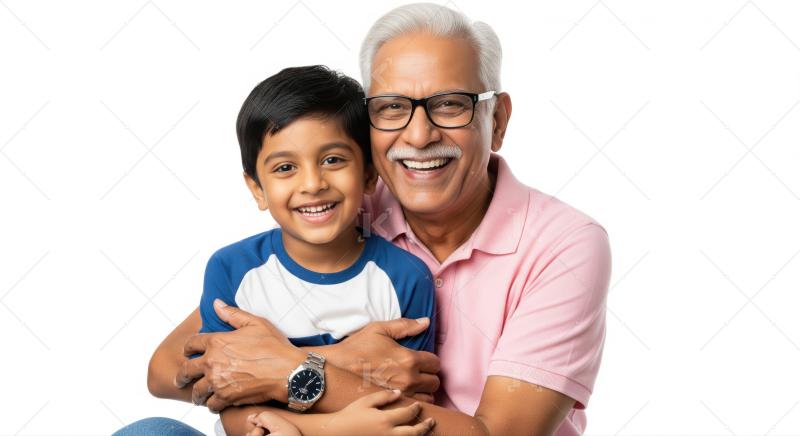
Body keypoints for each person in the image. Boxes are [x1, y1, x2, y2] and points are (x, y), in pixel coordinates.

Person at [130, 3, 612, 435]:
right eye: (393, 108)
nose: (419, 135)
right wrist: (333, 362)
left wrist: (297, 373)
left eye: (449, 104)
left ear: (498, 121)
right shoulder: (342, 209)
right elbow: (174, 364)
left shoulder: (565, 244)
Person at [130, 65, 438, 436]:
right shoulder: (234, 269)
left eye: (333, 160)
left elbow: (406, 406)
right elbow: (224, 395)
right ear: (257, 188)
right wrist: (330, 424)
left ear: (370, 174)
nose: (312, 183)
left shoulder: (404, 277)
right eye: (286, 167)